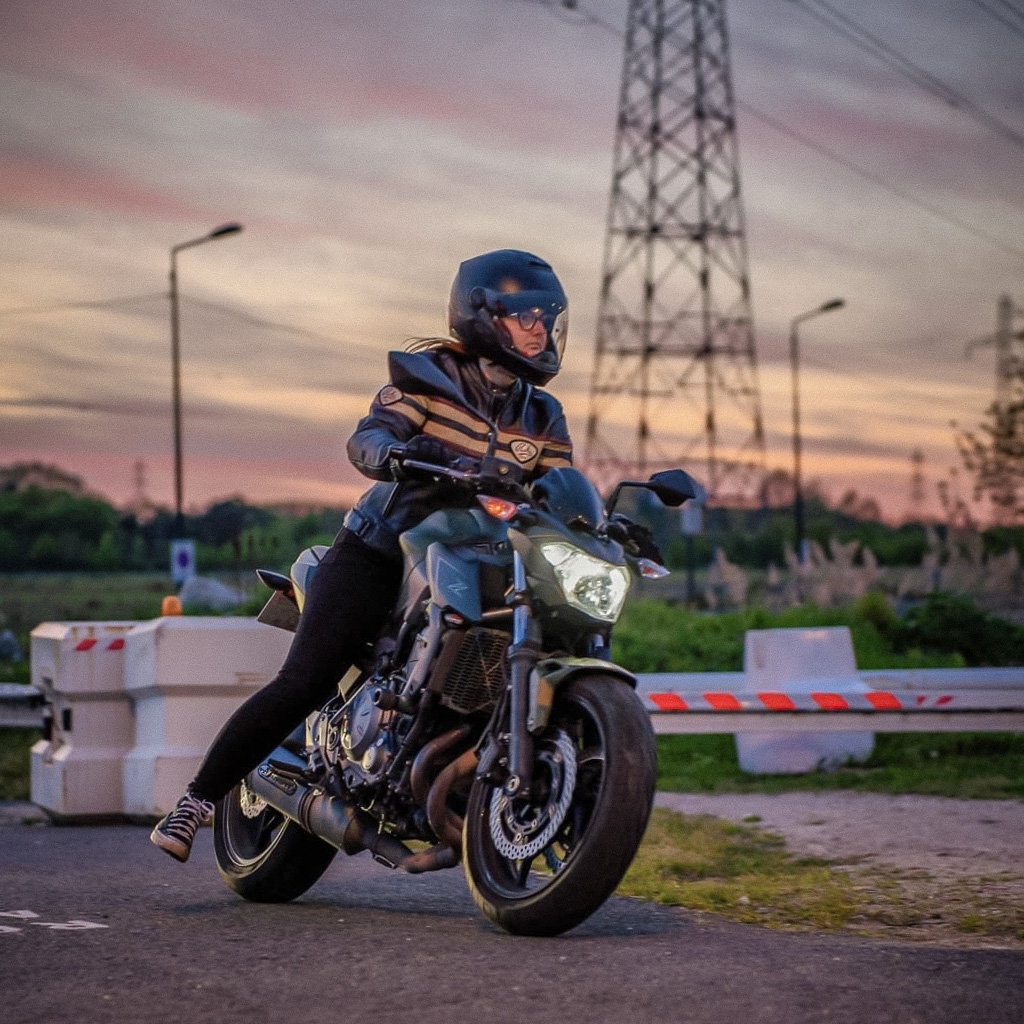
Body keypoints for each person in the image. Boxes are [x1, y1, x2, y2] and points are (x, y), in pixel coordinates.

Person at [150, 248, 574, 862]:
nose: (540, 329)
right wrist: (392, 453)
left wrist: (597, 518)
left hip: (482, 556)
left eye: (547, 318)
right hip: (381, 546)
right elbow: (373, 432)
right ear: (484, 315)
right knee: (304, 679)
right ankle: (195, 802)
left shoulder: (544, 414)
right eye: (526, 316)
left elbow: (560, 485)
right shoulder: (428, 378)